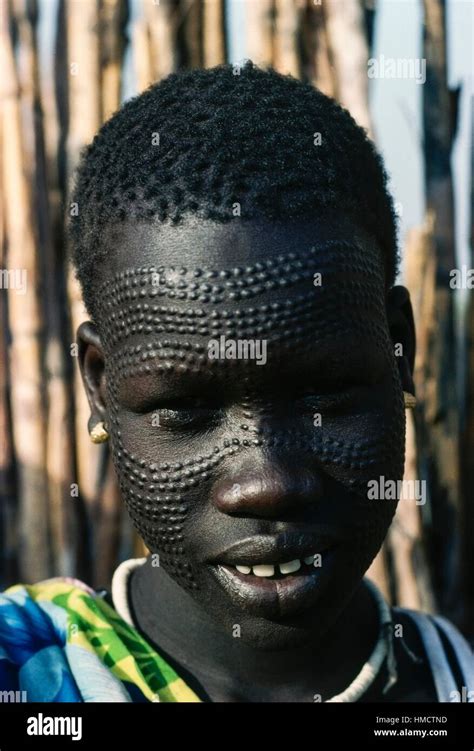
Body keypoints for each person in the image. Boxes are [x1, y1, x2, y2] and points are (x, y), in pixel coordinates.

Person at [0, 62, 472, 703]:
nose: (268, 483)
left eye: (324, 396)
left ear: (398, 354)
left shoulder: (454, 684)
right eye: (186, 409)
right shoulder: (24, 674)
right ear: (100, 385)